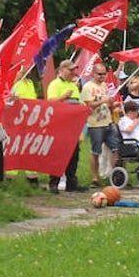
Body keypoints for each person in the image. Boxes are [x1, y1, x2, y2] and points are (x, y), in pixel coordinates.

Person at [81, 58, 122, 189]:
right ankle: (95, 178)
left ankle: (114, 175)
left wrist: (112, 105)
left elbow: (107, 102)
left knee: (116, 149)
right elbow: (88, 105)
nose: (102, 76)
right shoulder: (88, 87)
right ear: (93, 74)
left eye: (104, 74)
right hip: (95, 124)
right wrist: (103, 101)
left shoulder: (104, 86)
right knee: (96, 151)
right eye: (100, 74)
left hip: (108, 122)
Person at [46, 59, 84, 192]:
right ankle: (54, 183)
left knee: (74, 155)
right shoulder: (54, 84)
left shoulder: (74, 86)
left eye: (74, 70)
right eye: (71, 70)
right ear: (62, 70)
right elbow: (50, 103)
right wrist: (63, 97)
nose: (73, 72)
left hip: (72, 126)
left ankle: (71, 182)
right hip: (59, 125)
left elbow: (78, 104)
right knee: (58, 155)